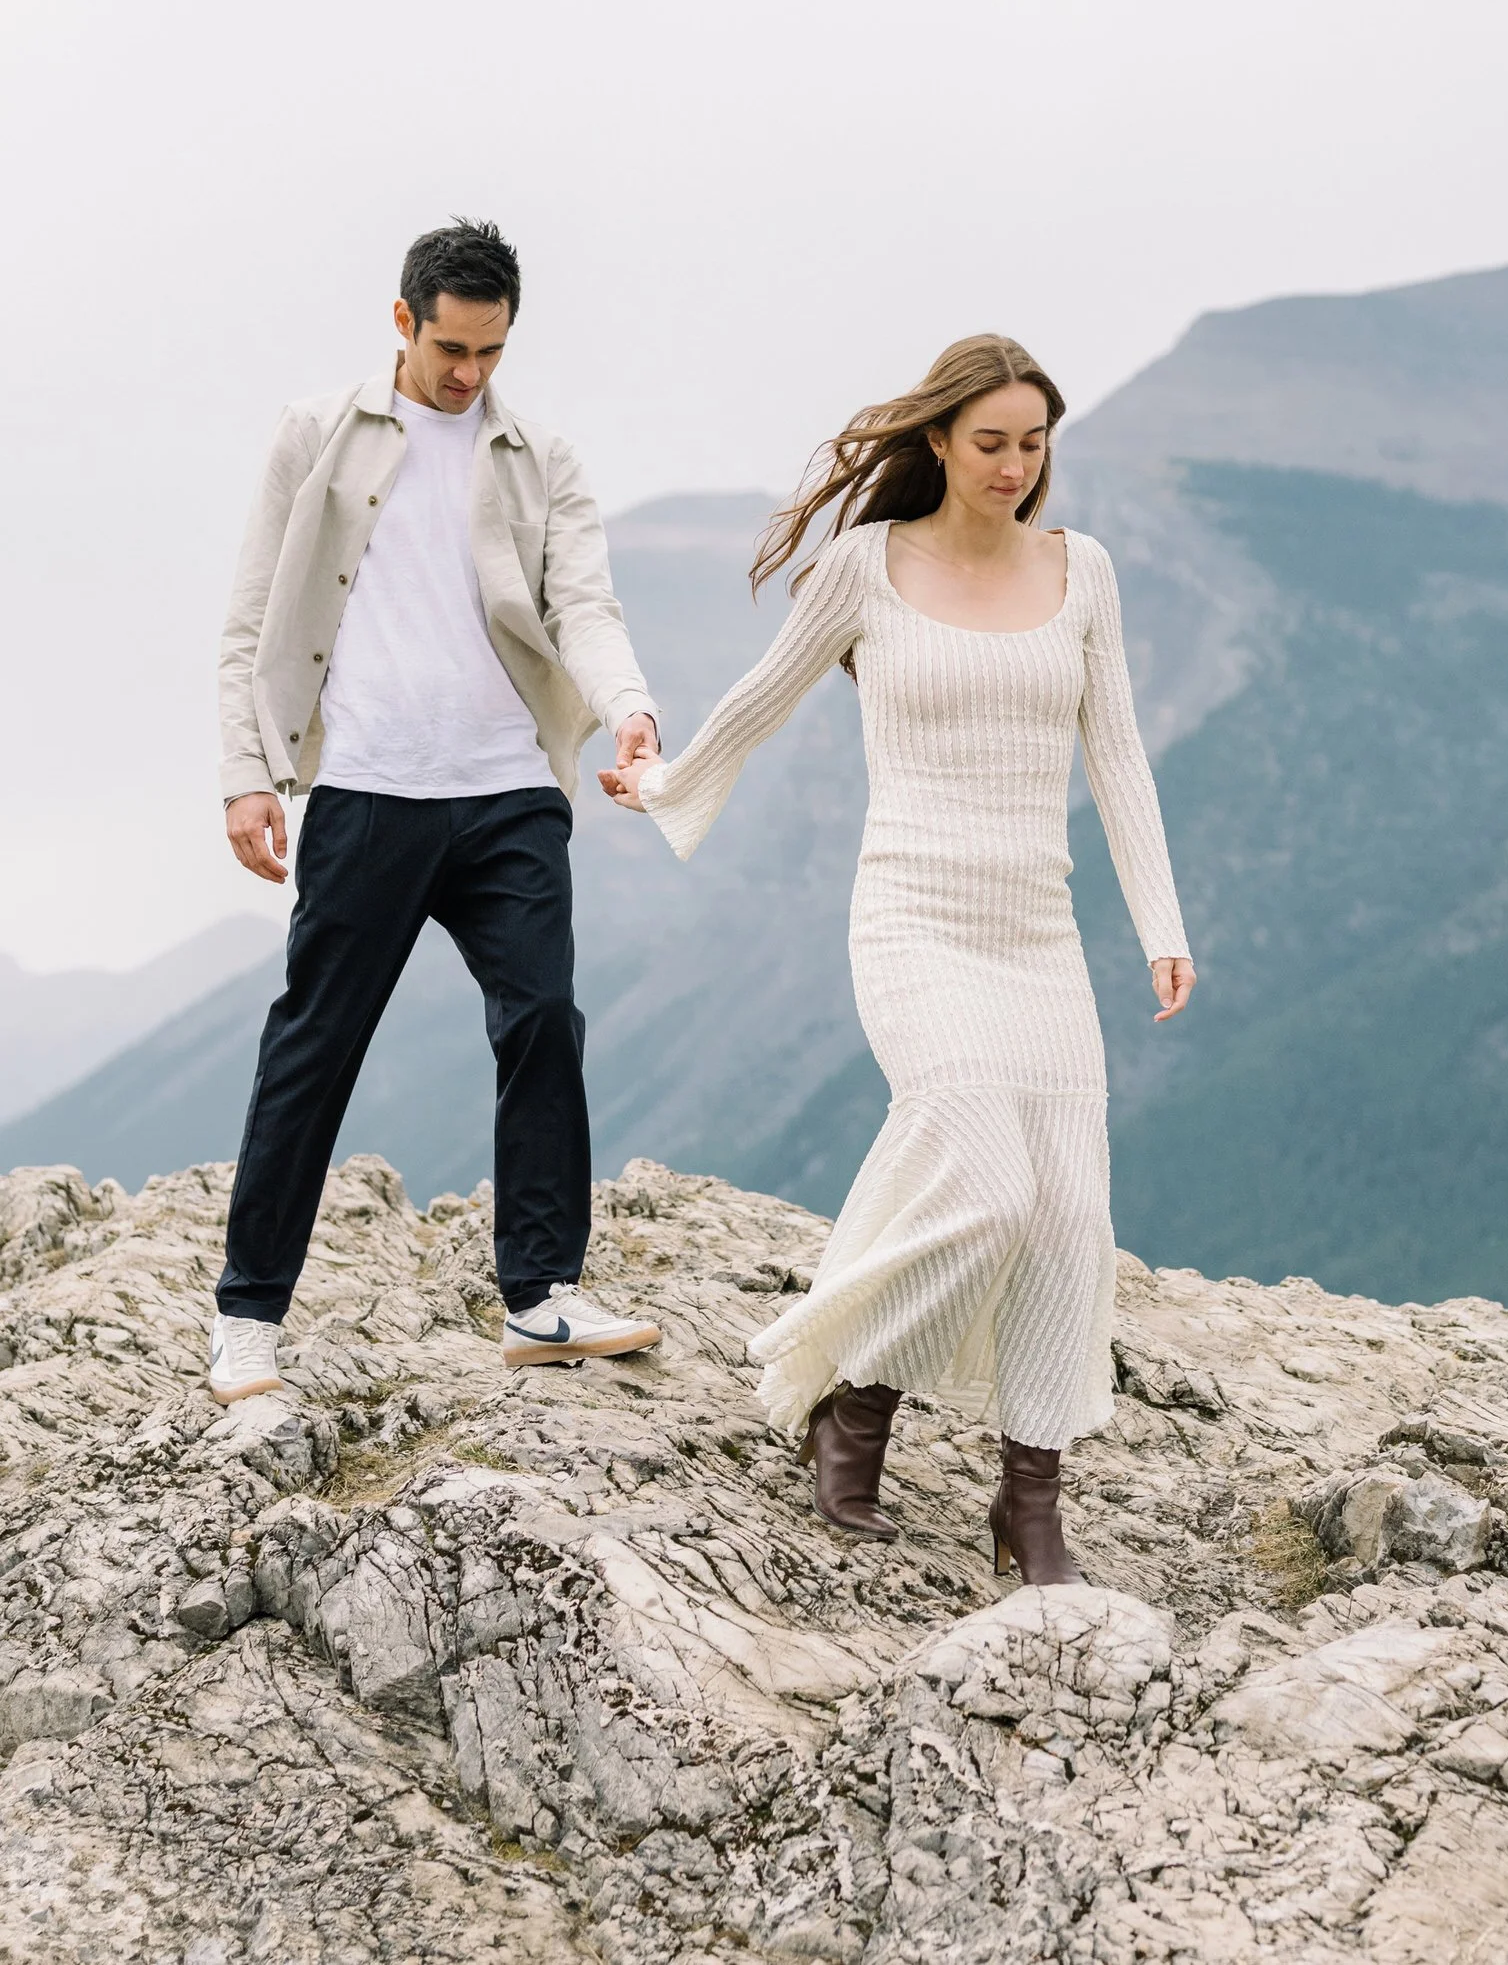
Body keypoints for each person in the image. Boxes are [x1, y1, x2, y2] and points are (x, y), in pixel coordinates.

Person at [602, 334, 1194, 1584]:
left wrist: (1162, 927)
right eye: (991, 443)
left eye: (1033, 444)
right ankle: (854, 1400)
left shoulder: (1081, 570)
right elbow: (761, 698)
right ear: (938, 439)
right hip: (913, 918)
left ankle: (1030, 1502)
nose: (1014, 467)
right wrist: (661, 783)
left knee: (1069, 1215)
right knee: (988, 1188)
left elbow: (1119, 753)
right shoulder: (865, 567)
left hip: (1038, 933)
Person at [211, 219, 663, 1403]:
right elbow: (254, 617)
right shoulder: (316, 433)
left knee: (543, 1018)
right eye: (452, 348)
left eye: (492, 351)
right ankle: (247, 1317)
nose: (469, 373)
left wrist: (628, 707)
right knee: (315, 1045)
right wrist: (248, 773)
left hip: (508, 788)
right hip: (368, 789)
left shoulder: (541, 456)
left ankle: (542, 1294)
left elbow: (586, 605)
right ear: (404, 321)